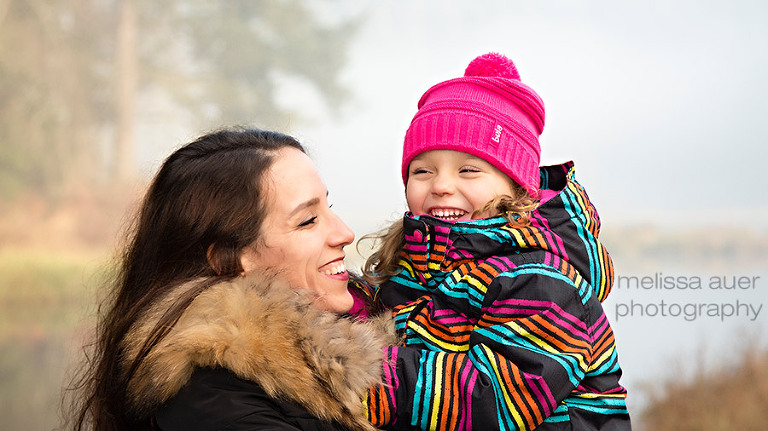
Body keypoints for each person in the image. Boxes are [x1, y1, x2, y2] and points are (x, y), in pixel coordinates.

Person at [62, 128, 397, 431]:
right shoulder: (215, 402)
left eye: (329, 206)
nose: (345, 233)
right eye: (308, 220)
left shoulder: (378, 317)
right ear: (230, 258)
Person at [362, 53, 631, 430]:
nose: (440, 185)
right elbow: (382, 319)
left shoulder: (541, 279)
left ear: (517, 186)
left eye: (468, 170)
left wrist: (364, 375)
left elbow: (494, 399)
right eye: (422, 170)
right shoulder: (413, 260)